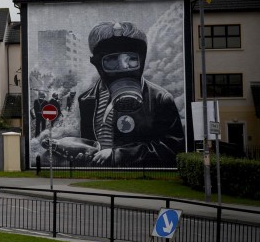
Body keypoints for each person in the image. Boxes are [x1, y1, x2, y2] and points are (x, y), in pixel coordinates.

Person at [73, 21, 185, 166]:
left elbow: (172, 147)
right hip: (97, 176)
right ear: (96, 62)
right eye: (112, 60)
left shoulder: (159, 99)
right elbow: (90, 144)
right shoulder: (87, 99)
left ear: (142, 59)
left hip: (137, 177)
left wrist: (119, 155)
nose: (124, 67)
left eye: (131, 59)